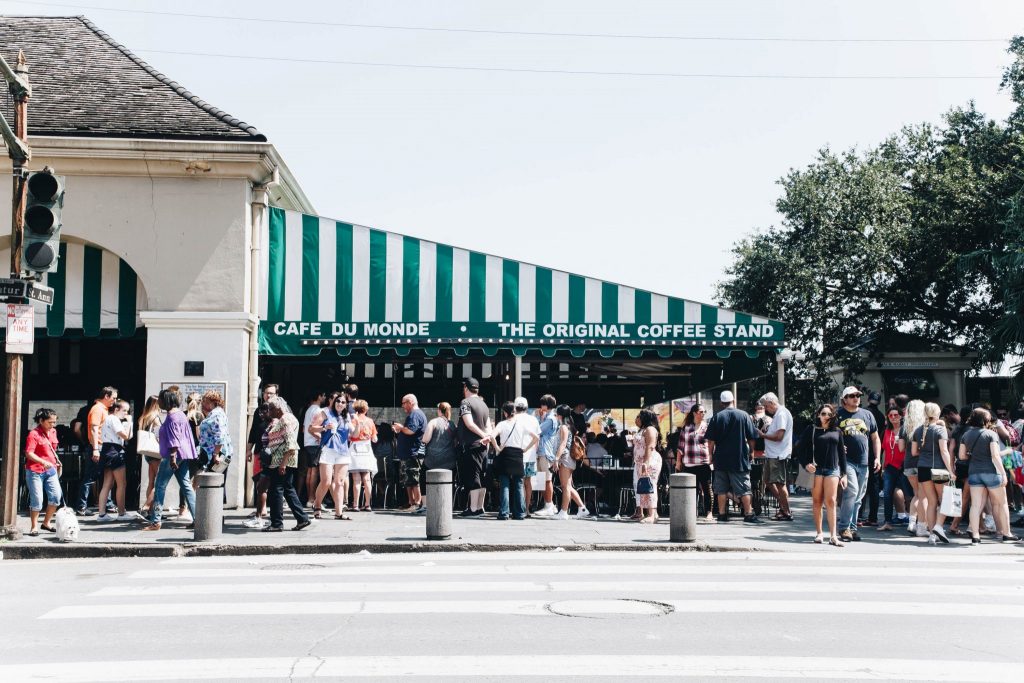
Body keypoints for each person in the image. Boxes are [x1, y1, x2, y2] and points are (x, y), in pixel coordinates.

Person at [960, 407, 1020, 543]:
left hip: (974, 472)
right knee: (1002, 503)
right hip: (992, 472)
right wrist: (1003, 472)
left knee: (975, 505)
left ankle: (975, 535)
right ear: (984, 419)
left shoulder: (966, 435)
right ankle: (1007, 534)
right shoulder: (990, 434)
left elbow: (962, 456)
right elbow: (995, 455)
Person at [144, 388, 198, 531]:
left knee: (160, 486)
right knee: (186, 485)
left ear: (166, 401)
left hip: (172, 456)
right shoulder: (180, 415)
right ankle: (199, 519)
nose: (159, 402)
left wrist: (173, 457)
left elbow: (175, 439)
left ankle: (155, 521)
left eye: (160, 400)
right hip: (184, 455)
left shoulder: (172, 417)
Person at [705, 390, 761, 524]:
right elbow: (752, 437)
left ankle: (722, 514)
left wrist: (711, 455)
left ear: (721, 403)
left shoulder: (717, 417)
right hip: (739, 458)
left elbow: (711, 441)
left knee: (721, 488)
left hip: (721, 458)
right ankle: (748, 513)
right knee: (744, 488)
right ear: (733, 401)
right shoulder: (744, 415)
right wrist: (751, 451)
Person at [798, 403, 848, 546]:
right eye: (823, 413)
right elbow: (800, 449)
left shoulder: (837, 431)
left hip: (833, 469)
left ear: (833, 416)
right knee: (817, 501)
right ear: (818, 415)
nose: (826, 416)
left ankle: (833, 536)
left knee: (831, 501)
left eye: (829, 414)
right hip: (817, 470)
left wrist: (844, 474)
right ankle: (819, 533)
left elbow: (841, 454)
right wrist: (806, 464)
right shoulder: (811, 430)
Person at [836, 386, 881, 543]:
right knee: (852, 491)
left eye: (858, 395)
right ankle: (843, 527)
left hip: (864, 462)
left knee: (858, 498)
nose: (856, 398)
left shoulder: (867, 414)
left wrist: (877, 458)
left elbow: (875, 438)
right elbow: (828, 435)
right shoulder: (838, 415)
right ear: (845, 400)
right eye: (852, 396)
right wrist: (838, 444)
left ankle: (852, 528)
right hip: (846, 461)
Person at [262, 396, 312, 532]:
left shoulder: (285, 419)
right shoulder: (288, 418)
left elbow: (290, 443)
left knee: (276, 491)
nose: (269, 411)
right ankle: (302, 518)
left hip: (281, 461)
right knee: (288, 490)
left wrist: (283, 463)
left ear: (278, 409)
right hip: (282, 460)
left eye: (271, 409)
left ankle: (277, 523)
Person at [911, 402, 953, 545]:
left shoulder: (918, 430)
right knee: (945, 500)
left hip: (923, 467)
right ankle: (938, 527)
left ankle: (932, 535)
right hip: (939, 468)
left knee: (931, 502)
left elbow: (913, 452)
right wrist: (951, 470)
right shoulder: (941, 430)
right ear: (937, 414)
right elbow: (944, 451)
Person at [492, 400, 539, 520]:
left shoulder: (502, 424)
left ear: (505, 413)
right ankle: (520, 513)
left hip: (505, 454)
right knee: (519, 484)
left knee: (505, 484)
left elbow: (492, 436)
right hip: (518, 454)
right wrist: (525, 449)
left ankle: (504, 513)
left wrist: (498, 448)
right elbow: (536, 437)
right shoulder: (521, 425)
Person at [310, 393, 353, 520]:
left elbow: (353, 434)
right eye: (338, 401)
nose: (340, 403)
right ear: (334, 402)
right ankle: (317, 505)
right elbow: (311, 429)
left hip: (343, 451)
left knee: (339, 482)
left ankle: (339, 513)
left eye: (343, 402)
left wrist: (357, 428)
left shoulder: (347, 417)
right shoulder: (325, 413)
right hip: (328, 449)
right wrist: (324, 428)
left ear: (346, 405)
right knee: (326, 481)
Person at [77, 386, 118, 516]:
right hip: (98, 446)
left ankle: (108, 504)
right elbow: (94, 429)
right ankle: (81, 506)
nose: (114, 401)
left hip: (102, 446)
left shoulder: (103, 409)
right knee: (90, 477)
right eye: (113, 398)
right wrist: (95, 449)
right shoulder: (97, 409)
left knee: (107, 476)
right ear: (106, 396)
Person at [24, 408, 63, 536]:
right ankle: (34, 527)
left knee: (56, 497)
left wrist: (55, 461)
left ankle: (46, 523)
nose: (53, 425)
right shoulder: (33, 434)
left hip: (50, 469)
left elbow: (52, 449)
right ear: (41, 421)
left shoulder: (53, 431)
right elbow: (28, 453)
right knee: (37, 500)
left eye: (54, 422)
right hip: (35, 470)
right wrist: (42, 462)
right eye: (50, 422)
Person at [457, 378, 492, 517]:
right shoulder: (484, 405)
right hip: (483, 446)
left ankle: (473, 508)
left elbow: (469, 423)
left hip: (471, 445)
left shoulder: (465, 402)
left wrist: (483, 435)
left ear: (466, 388)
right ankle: (480, 507)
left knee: (473, 476)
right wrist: (487, 437)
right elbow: (489, 425)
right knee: (482, 476)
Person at [96, 399, 134, 522]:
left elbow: (128, 436)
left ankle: (101, 514)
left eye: (128, 411)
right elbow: (126, 436)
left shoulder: (109, 419)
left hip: (107, 450)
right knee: (121, 484)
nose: (126, 413)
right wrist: (129, 422)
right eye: (124, 410)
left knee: (107, 483)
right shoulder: (114, 419)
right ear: (116, 409)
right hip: (115, 450)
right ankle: (121, 513)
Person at [246, 384, 278, 526]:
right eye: (266, 393)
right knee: (259, 481)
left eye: (271, 393)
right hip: (260, 452)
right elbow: (253, 432)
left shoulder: (280, 411)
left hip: (274, 453)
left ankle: (272, 512)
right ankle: (262, 509)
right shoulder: (259, 410)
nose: (268, 395)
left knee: (272, 483)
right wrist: (249, 450)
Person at [675, 403, 713, 520]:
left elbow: (711, 444)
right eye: (701, 412)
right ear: (694, 413)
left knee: (707, 489)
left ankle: (709, 512)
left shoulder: (706, 427)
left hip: (703, 462)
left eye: (704, 412)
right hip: (689, 463)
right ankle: (692, 512)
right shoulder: (686, 428)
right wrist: (678, 462)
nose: (703, 414)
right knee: (692, 490)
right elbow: (680, 447)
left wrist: (711, 458)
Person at [760, 392, 794, 521]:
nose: (766, 410)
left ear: (771, 403)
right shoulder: (779, 414)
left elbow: (779, 436)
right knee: (768, 481)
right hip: (773, 454)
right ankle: (784, 507)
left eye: (766, 407)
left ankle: (786, 511)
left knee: (780, 483)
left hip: (778, 454)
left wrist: (763, 435)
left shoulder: (781, 414)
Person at [421, 402, 458, 514]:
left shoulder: (433, 422)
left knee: (423, 478)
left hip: (432, 460)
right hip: (449, 461)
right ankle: (447, 504)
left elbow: (426, 439)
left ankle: (426, 505)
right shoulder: (452, 425)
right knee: (449, 482)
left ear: (439, 410)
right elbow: (456, 442)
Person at [392, 394, 427, 512]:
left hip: (413, 453)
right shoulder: (414, 415)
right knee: (408, 480)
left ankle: (417, 503)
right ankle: (411, 502)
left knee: (414, 479)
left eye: (404, 403)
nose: (403, 406)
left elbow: (411, 430)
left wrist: (400, 428)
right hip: (408, 453)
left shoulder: (415, 415)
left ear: (411, 402)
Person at [553, 404, 588, 520]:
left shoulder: (563, 427)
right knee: (568, 486)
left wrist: (556, 458)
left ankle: (563, 511)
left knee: (565, 486)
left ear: (560, 415)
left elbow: (563, 444)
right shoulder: (569, 426)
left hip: (565, 458)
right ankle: (582, 508)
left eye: (557, 413)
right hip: (570, 459)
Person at [879, 406, 912, 531]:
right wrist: (882, 466)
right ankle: (887, 522)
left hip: (903, 465)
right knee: (887, 494)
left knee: (909, 495)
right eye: (890, 415)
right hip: (889, 467)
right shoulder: (886, 432)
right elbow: (885, 450)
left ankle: (912, 520)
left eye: (896, 415)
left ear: (901, 416)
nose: (893, 417)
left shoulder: (906, 430)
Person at [900, 399, 926, 537]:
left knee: (916, 494)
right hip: (923, 463)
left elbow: (901, 448)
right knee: (924, 496)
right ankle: (922, 524)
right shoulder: (924, 427)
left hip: (908, 463)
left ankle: (911, 522)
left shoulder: (904, 427)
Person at [860, 391, 887, 527]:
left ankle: (858, 514)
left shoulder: (863, 413)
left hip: (863, 452)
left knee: (861, 485)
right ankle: (873, 517)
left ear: (868, 399)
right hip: (876, 453)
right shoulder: (881, 416)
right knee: (874, 486)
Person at [632, 408, 662, 524]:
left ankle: (652, 514)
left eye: (639, 416)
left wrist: (646, 462)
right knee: (645, 487)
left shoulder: (650, 429)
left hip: (650, 461)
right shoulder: (643, 430)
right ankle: (650, 513)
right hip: (641, 462)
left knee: (650, 486)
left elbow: (650, 446)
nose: (637, 418)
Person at [531, 394, 559, 516]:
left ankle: (549, 505)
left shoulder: (550, 418)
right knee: (542, 480)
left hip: (545, 452)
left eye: (542, 404)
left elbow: (538, 430)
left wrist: (537, 417)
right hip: (543, 451)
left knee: (546, 480)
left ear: (545, 405)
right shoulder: (548, 417)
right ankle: (548, 505)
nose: (540, 406)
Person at [348, 399, 378, 512]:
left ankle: (355, 505)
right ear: (365, 409)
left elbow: (350, 435)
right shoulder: (370, 421)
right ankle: (367, 504)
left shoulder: (353, 420)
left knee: (356, 479)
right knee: (367, 479)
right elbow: (375, 439)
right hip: (367, 448)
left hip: (355, 447)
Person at [299, 389, 326, 508]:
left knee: (309, 471)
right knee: (314, 471)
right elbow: (313, 428)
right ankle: (311, 498)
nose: (325, 398)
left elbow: (305, 428)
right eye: (324, 395)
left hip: (307, 443)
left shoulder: (308, 410)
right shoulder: (318, 410)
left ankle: (310, 498)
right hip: (314, 442)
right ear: (319, 396)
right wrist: (319, 437)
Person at [137, 395, 163, 516]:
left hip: (147, 453)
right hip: (156, 453)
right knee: (158, 482)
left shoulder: (143, 418)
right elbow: (159, 437)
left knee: (151, 481)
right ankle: (146, 507)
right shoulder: (155, 418)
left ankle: (151, 510)